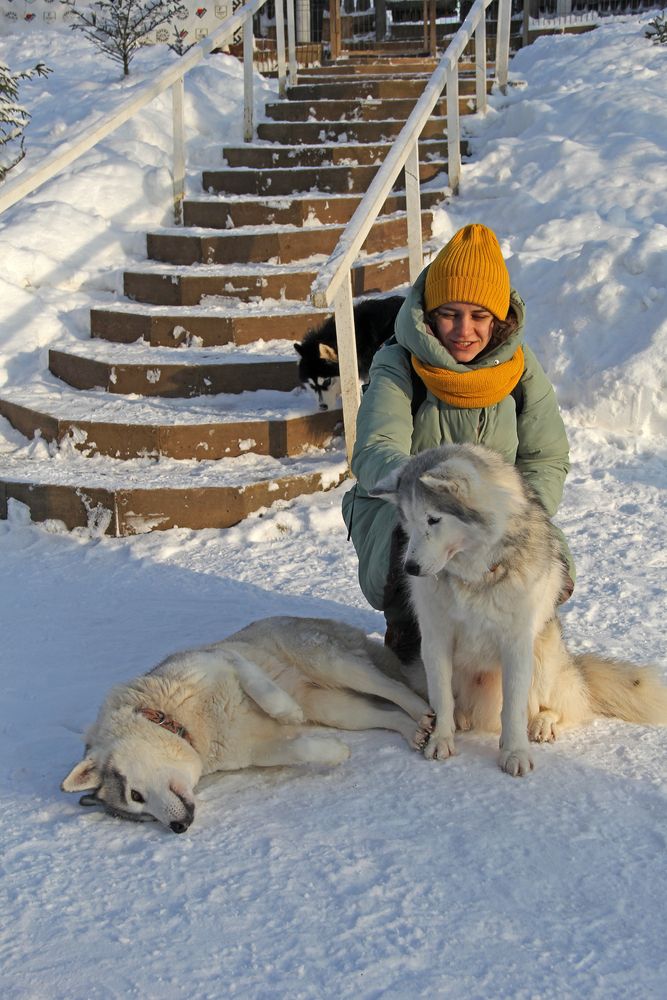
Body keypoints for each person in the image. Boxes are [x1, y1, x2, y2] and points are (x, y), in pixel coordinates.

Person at [341, 223, 574, 662]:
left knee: (543, 559)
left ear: (499, 319)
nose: (463, 330)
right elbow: (375, 448)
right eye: (450, 314)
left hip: (497, 513)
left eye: (479, 316)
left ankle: (506, 638)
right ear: (429, 314)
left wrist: (514, 519)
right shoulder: (398, 363)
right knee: (418, 530)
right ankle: (410, 623)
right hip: (413, 507)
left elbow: (547, 456)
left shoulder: (520, 372)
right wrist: (438, 498)